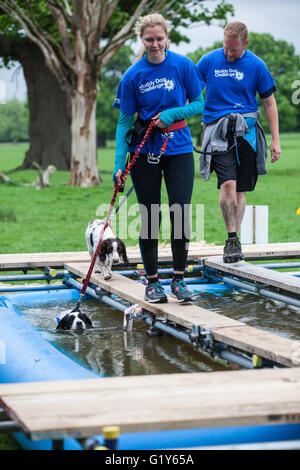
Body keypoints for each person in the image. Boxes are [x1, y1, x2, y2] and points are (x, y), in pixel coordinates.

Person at [113, 13, 204, 303]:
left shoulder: (183, 65)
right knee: (150, 216)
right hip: (144, 152)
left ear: (167, 38)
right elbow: (124, 123)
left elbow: (200, 103)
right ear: (142, 39)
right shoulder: (132, 75)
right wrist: (119, 165)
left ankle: (179, 280)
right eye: (149, 39)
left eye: (159, 39)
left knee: (180, 212)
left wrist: (174, 114)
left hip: (179, 150)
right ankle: (152, 282)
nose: (155, 44)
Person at [196, 21, 281, 263]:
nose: (228, 53)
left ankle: (234, 242)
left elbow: (269, 103)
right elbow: (190, 90)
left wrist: (275, 140)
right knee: (228, 185)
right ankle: (232, 235)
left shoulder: (256, 65)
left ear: (245, 43)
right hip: (218, 132)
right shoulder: (209, 61)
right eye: (226, 48)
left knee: (241, 189)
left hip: (248, 133)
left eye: (234, 49)